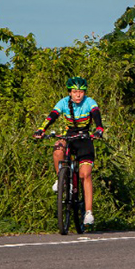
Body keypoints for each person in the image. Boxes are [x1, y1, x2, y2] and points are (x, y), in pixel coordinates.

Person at [33, 76, 104, 225]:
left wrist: (99, 130)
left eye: (81, 92)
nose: (78, 95)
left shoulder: (90, 103)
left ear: (84, 93)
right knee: (58, 147)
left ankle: (89, 212)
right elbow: (52, 116)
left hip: (84, 138)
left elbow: (96, 115)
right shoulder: (63, 103)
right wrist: (41, 129)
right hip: (70, 136)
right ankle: (62, 180)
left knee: (85, 175)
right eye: (75, 92)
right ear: (70, 93)